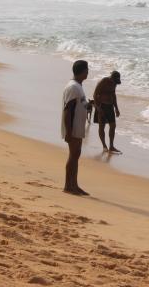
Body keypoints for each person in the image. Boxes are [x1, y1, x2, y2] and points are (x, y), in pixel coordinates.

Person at [61, 60, 91, 195]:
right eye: (87, 69)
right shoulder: (73, 87)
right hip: (73, 128)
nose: (88, 72)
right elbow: (68, 110)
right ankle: (68, 186)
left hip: (77, 127)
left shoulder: (78, 86)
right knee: (73, 155)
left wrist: (88, 105)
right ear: (82, 71)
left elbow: (79, 105)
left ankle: (74, 184)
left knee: (76, 154)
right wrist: (68, 131)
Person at [93, 71, 122, 154]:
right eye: (114, 81)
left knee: (113, 126)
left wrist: (116, 108)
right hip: (101, 106)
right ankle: (104, 146)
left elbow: (113, 95)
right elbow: (95, 94)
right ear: (111, 78)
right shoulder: (104, 81)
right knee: (102, 126)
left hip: (110, 107)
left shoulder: (114, 83)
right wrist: (98, 108)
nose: (115, 83)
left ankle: (111, 146)